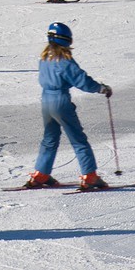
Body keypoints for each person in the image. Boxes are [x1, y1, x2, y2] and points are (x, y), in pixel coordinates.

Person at [22, 22, 112, 190]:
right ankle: (90, 176)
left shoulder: (45, 58)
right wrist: (101, 88)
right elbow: (81, 80)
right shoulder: (64, 61)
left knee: (49, 139)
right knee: (78, 139)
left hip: (46, 100)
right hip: (60, 101)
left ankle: (41, 174)